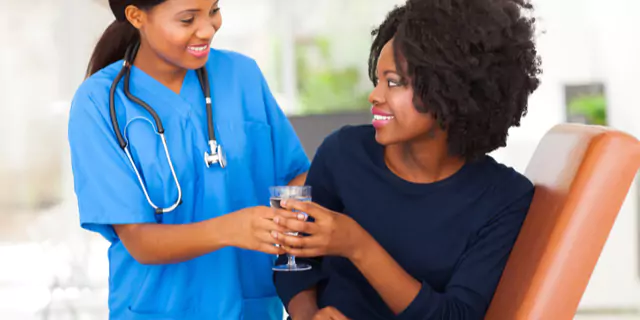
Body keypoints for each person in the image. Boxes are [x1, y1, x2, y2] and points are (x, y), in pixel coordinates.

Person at [272, 0, 542, 319]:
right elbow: (293, 260)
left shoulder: (504, 200)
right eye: (377, 80)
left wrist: (357, 245)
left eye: (394, 82)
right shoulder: (343, 153)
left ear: (450, 91)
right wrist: (308, 316)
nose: (375, 95)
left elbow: (456, 315)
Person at [67, 0, 309, 319]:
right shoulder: (100, 103)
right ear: (136, 16)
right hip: (156, 310)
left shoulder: (242, 76)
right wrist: (233, 228)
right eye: (187, 19)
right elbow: (140, 241)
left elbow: (294, 176)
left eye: (214, 10)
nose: (208, 29)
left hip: (250, 308)